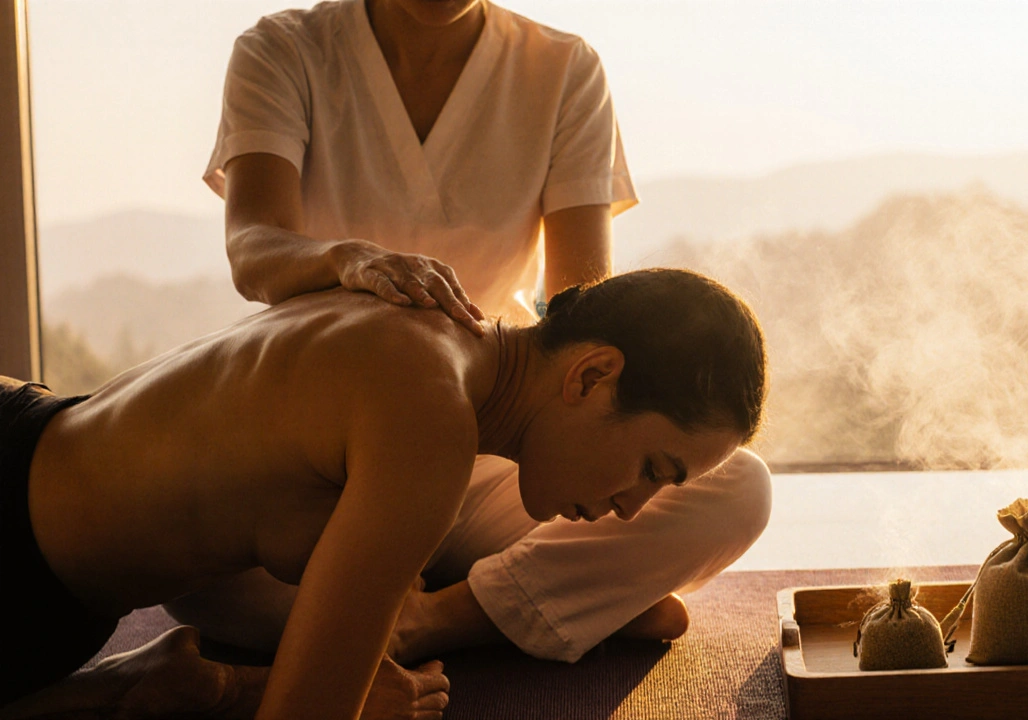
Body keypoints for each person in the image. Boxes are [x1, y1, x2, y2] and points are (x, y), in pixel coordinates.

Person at [175, 0, 774, 665]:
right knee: (202, 570)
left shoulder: (564, 68)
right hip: (330, 446)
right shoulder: (283, 48)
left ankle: (429, 618)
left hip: (493, 440)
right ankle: (555, 601)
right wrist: (346, 258)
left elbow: (579, 308)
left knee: (737, 489)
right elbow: (254, 248)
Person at [0, 269, 768, 719]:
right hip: (17, 564)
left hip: (29, 436)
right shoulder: (428, 420)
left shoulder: (426, 326)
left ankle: (143, 685)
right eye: (653, 470)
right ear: (591, 375)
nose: (633, 508)